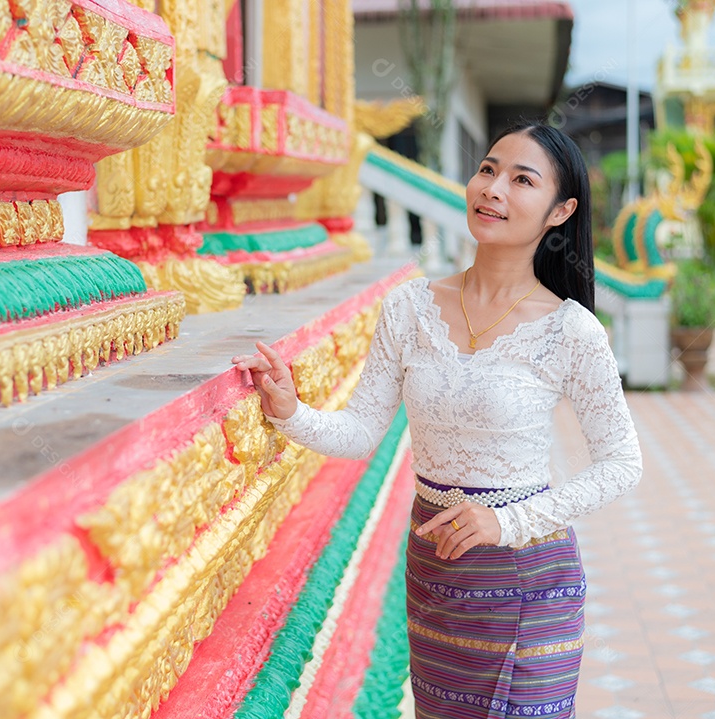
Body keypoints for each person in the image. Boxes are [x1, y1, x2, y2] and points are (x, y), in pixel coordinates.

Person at [231, 121, 643, 719]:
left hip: (526, 575)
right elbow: (362, 431)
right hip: (435, 574)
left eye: (521, 180)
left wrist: (508, 522)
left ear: (560, 211)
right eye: (488, 170)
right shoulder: (410, 306)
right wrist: (290, 411)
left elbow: (623, 463)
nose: (493, 189)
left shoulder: (570, 329)